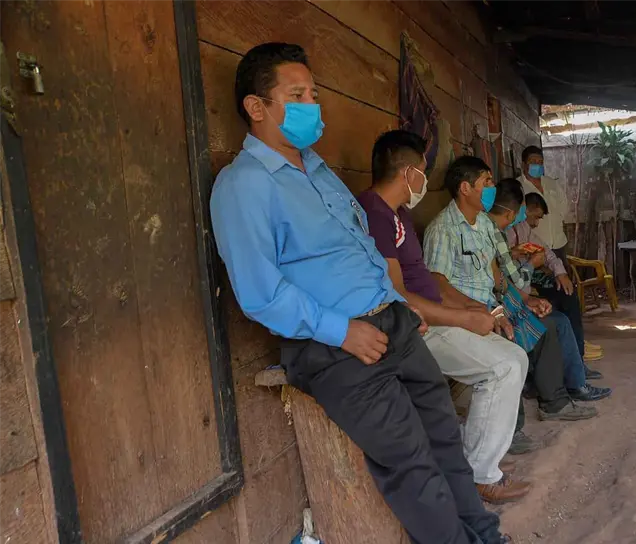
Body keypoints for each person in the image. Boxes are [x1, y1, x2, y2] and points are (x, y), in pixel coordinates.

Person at [210, 43, 508, 544]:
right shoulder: (243, 186)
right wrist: (343, 330)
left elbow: (363, 251)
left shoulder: (320, 172)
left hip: (392, 322)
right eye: (297, 95)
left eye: (314, 93)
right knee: (411, 461)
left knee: (444, 440)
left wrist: (403, 308)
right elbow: (260, 294)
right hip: (334, 345)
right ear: (256, 107)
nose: (312, 104)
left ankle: (484, 534)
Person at [357, 130, 531, 504]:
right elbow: (398, 295)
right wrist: (461, 319)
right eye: (421, 169)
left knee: (516, 357)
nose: (423, 178)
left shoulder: (398, 213)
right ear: (407, 172)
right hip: (413, 328)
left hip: (432, 315)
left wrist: (468, 307)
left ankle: (481, 461)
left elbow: (432, 282)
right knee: (502, 369)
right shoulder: (374, 212)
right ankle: (479, 475)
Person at [422, 156, 598, 424]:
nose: (492, 187)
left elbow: (497, 279)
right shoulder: (443, 230)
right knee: (511, 345)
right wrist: (490, 311)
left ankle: (554, 403)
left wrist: (525, 300)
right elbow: (438, 286)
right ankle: (510, 427)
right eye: (486, 181)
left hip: (494, 306)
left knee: (548, 326)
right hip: (466, 313)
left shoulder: (483, 225)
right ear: (465, 188)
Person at [489, 180, 612, 403]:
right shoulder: (495, 234)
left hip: (515, 295)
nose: (532, 221)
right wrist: (530, 269)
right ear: (512, 211)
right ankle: (562, 394)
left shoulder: (505, 231)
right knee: (555, 322)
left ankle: (575, 375)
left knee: (564, 301)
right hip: (503, 303)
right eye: (529, 215)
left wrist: (556, 274)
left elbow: (543, 255)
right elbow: (509, 281)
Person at [518, 146, 603, 363]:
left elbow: (563, 210)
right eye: (532, 161)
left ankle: (576, 349)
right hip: (530, 253)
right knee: (552, 298)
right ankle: (563, 352)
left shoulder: (552, 184)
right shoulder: (518, 188)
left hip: (556, 246)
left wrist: (557, 268)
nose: (537, 164)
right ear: (524, 164)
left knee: (567, 290)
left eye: (540, 160)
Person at [510, 192, 603, 379]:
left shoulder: (524, 229)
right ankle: (562, 364)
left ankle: (578, 360)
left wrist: (561, 273)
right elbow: (509, 277)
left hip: (527, 276)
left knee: (566, 293)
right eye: (535, 217)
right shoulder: (499, 232)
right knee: (553, 311)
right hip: (514, 284)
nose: (536, 223)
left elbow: (548, 254)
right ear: (523, 210)